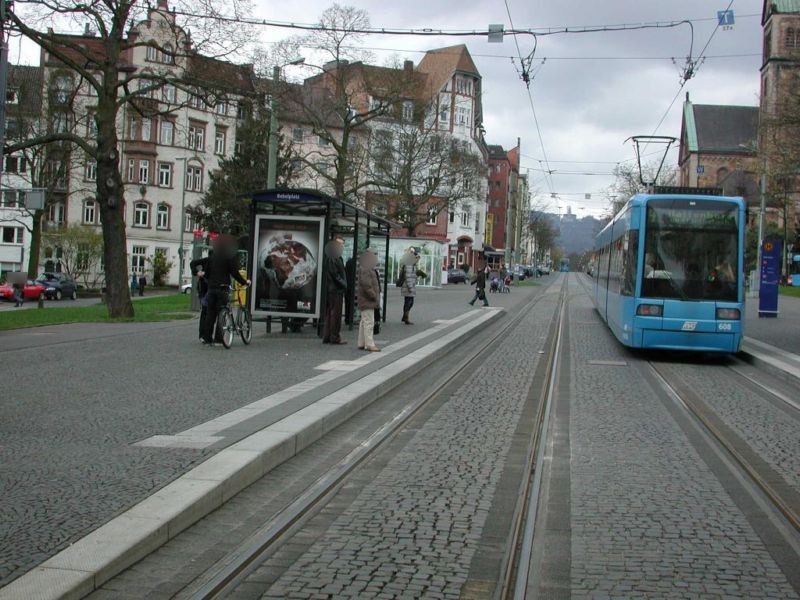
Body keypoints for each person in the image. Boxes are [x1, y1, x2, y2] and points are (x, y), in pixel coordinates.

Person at [196, 236, 250, 346]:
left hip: (211, 289)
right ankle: (219, 339)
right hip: (223, 288)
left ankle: (207, 338)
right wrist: (245, 282)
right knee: (222, 312)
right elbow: (235, 274)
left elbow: (207, 273)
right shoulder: (228, 258)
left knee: (210, 314)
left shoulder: (212, 258)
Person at [322, 236, 347, 344]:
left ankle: (328, 336)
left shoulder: (334, 256)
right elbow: (335, 274)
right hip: (335, 289)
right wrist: (344, 284)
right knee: (335, 314)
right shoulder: (334, 257)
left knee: (330, 313)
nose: (341, 247)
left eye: (342, 245)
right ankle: (334, 337)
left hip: (333, 289)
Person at [357, 248, 381, 352]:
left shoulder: (367, 267)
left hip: (366, 300)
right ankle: (369, 344)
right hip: (368, 300)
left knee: (364, 321)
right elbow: (367, 285)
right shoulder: (366, 268)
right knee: (369, 322)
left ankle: (361, 342)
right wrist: (374, 295)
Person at [400, 248, 418, 324]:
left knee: (408, 302)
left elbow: (412, 275)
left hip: (409, 286)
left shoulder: (412, 264)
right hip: (408, 287)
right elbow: (408, 277)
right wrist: (410, 287)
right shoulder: (409, 265)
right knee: (409, 302)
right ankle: (406, 317)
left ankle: (405, 316)